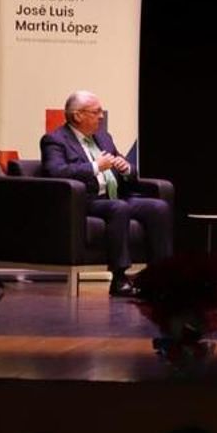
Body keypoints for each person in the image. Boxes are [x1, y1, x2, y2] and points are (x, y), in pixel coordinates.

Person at [39, 90, 171, 296]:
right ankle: (119, 278)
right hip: (86, 201)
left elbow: (131, 173)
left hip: (115, 196)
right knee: (118, 207)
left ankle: (160, 275)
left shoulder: (103, 137)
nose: (101, 116)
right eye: (96, 111)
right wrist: (95, 166)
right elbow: (55, 172)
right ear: (77, 115)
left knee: (158, 207)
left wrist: (125, 167)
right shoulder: (55, 140)